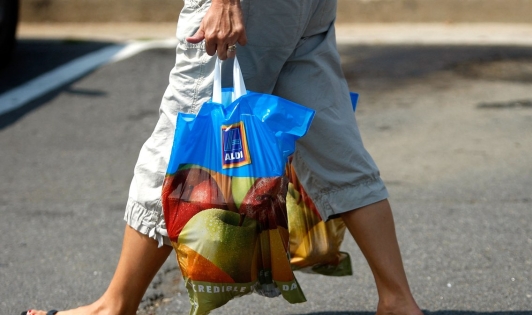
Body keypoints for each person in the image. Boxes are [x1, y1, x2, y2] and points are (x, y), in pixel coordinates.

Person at [25, 0, 423, 314]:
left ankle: (114, 307)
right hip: (307, 7)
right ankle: (397, 300)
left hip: (253, 6)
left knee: (183, 147)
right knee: (333, 138)